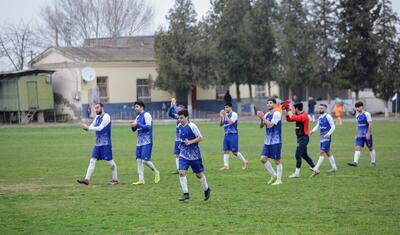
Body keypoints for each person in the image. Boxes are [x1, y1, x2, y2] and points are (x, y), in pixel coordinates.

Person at [78, 103, 118, 185]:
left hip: (106, 144)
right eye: (95, 108)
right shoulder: (97, 117)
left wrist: (88, 128)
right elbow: (91, 127)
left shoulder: (106, 116)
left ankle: (115, 179)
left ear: (102, 108)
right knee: (92, 161)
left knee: (111, 163)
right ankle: (87, 179)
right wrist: (86, 128)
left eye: (97, 108)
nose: (96, 110)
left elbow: (100, 128)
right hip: (98, 144)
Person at [176, 109, 211, 202]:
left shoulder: (192, 126)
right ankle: (186, 194)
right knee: (181, 172)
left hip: (194, 155)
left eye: (182, 118)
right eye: (179, 118)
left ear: (187, 117)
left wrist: (190, 142)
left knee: (198, 174)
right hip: (183, 154)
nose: (180, 120)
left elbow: (200, 138)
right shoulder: (179, 126)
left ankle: (206, 189)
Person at [130, 101, 160, 185]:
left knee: (145, 161)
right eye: (135, 107)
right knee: (139, 160)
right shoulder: (137, 117)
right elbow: (134, 130)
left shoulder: (147, 115)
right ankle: (141, 180)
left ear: (142, 107)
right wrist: (132, 126)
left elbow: (148, 127)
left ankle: (156, 172)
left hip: (147, 141)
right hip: (139, 142)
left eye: (137, 107)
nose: (135, 108)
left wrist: (137, 124)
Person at [284, 102, 316, 178]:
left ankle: (297, 173)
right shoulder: (298, 115)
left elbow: (293, 117)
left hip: (304, 138)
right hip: (300, 138)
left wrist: (288, 108)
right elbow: (289, 119)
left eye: (294, 108)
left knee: (297, 155)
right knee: (304, 155)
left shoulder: (304, 116)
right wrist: (287, 110)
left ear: (296, 108)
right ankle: (316, 169)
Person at [256, 98, 283, 186]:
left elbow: (271, 125)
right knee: (263, 159)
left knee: (277, 161)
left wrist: (262, 117)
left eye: (271, 103)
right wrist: (261, 119)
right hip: (267, 142)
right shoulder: (267, 114)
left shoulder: (277, 114)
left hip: (276, 141)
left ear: (275, 105)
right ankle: (274, 175)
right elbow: (261, 126)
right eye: (267, 103)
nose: (269, 104)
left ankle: (279, 180)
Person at [310, 104, 338, 175]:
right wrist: (313, 130)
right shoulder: (320, 117)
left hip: (327, 137)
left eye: (322, 108)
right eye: (319, 108)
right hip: (322, 137)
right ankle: (334, 168)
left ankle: (316, 168)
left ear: (325, 109)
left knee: (322, 152)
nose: (320, 110)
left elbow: (333, 126)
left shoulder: (328, 116)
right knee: (328, 152)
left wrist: (328, 134)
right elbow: (318, 126)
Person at [219, 103, 248, 170]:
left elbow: (231, 122)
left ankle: (245, 161)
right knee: (225, 150)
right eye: (225, 107)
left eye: (227, 107)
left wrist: (225, 115)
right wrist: (221, 117)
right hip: (226, 134)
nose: (225, 109)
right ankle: (226, 166)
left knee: (234, 151)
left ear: (230, 107)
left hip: (233, 134)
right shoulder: (225, 115)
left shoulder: (234, 114)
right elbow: (221, 124)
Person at [348, 101, 376, 167]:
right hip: (360, 134)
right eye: (356, 107)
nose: (357, 109)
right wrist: (356, 134)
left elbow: (370, 124)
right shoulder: (357, 115)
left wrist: (368, 133)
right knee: (357, 147)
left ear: (362, 107)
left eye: (358, 107)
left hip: (366, 133)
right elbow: (358, 125)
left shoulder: (367, 114)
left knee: (370, 147)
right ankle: (355, 162)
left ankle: (373, 162)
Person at [167, 97, 185, 174]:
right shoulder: (178, 117)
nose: (177, 110)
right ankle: (179, 169)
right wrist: (171, 107)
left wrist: (174, 103)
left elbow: (177, 111)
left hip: (183, 139)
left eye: (179, 109)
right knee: (177, 154)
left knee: (185, 154)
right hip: (177, 139)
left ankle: (188, 167)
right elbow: (169, 114)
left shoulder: (185, 117)